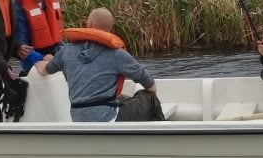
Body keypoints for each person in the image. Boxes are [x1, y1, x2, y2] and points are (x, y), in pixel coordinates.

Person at [34, 8, 165, 122]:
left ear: (88, 24)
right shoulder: (116, 54)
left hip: (77, 118)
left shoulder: (66, 51)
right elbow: (147, 81)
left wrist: (43, 66)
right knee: (150, 98)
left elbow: (47, 69)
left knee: (122, 98)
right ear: (110, 29)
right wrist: (151, 94)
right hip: (107, 119)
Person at [9, 0, 64, 74]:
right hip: (34, 59)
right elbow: (23, 47)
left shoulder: (48, 3)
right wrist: (42, 58)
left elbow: (58, 40)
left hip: (54, 53)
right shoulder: (19, 8)